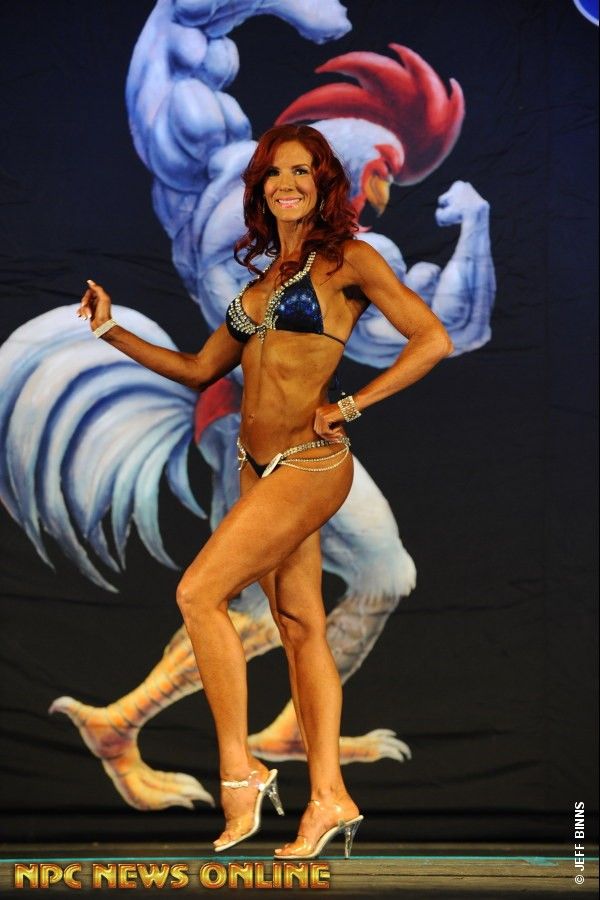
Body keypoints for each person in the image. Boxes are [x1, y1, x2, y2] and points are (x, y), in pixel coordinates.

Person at [77, 123, 452, 859]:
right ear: (260, 188)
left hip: (310, 463)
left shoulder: (349, 261)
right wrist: (109, 329)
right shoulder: (260, 285)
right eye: (275, 173)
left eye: (302, 172)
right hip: (256, 466)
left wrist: (352, 405)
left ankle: (239, 771)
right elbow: (198, 369)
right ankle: (329, 796)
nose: (287, 183)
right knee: (300, 625)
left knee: (198, 594)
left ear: (323, 184)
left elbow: (432, 338)